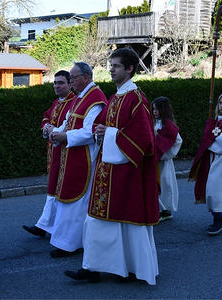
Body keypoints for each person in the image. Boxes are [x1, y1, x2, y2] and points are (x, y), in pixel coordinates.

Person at [64, 48, 159, 285]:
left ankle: (129, 268)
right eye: (111, 65)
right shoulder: (116, 96)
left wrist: (111, 134)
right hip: (107, 171)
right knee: (97, 220)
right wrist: (100, 131)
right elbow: (102, 123)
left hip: (126, 172)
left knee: (123, 221)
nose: (111, 69)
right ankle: (92, 267)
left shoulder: (136, 98)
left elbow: (144, 139)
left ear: (129, 69)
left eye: (116, 65)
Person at [47, 62, 107, 258]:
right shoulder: (80, 97)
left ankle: (71, 243)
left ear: (86, 77)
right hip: (70, 153)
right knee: (68, 199)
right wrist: (56, 132)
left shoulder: (95, 98)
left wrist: (66, 137)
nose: (71, 82)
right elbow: (67, 121)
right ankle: (66, 241)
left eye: (73, 78)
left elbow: (90, 131)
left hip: (84, 156)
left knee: (78, 202)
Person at [23, 70, 75, 237]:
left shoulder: (74, 102)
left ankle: (46, 225)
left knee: (57, 189)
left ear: (70, 84)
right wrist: (46, 126)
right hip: (53, 152)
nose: (56, 86)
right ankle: (46, 225)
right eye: (55, 83)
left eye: (60, 83)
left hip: (67, 152)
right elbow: (46, 116)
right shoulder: (56, 102)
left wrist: (55, 130)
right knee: (53, 188)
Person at [189, 93, 222, 235]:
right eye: (221, 103)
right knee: (212, 191)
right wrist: (210, 133)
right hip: (213, 160)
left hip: (219, 160)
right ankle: (217, 219)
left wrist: (212, 138)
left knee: (215, 192)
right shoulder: (215, 122)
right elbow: (207, 140)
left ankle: (219, 221)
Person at [152, 97, 182, 221]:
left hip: (163, 162)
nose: (155, 112)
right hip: (154, 160)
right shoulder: (153, 122)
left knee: (165, 184)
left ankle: (165, 210)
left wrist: (165, 154)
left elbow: (177, 141)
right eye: (153, 109)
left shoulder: (168, 125)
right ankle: (157, 208)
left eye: (157, 109)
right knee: (154, 183)